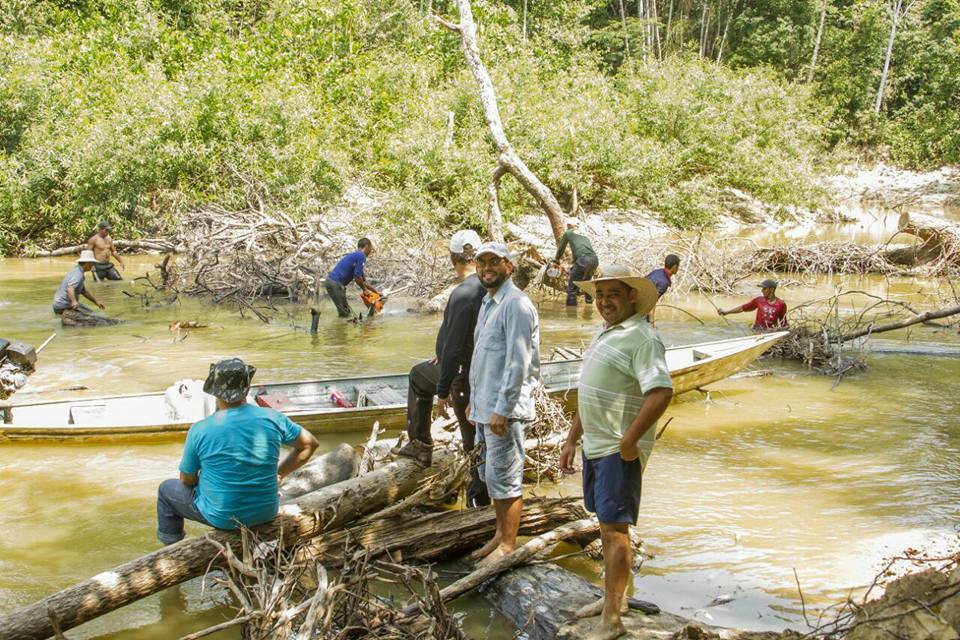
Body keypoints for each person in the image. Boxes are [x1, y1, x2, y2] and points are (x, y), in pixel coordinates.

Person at [560, 265, 673, 640]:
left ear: (632, 298)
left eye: (613, 294)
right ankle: (615, 601)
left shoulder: (643, 338)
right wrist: (571, 438)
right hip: (596, 444)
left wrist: (629, 442)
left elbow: (660, 392)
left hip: (616, 449)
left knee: (615, 531)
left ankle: (612, 618)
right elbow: (589, 389)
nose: (605, 301)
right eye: (600, 295)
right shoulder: (605, 332)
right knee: (605, 524)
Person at [156, 358, 319, 545]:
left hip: (223, 517)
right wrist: (279, 474)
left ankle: (171, 548)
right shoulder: (273, 418)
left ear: (214, 391)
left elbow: (186, 480)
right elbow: (309, 444)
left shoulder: (200, 429)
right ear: (247, 389)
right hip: (266, 511)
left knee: (166, 490)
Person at [392, 230, 490, 507]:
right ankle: (480, 504)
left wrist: (443, 389)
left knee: (417, 377)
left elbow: (455, 348)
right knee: (476, 440)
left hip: (463, 377)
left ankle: (421, 445)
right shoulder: (492, 287)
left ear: (452, 259)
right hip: (480, 372)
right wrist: (441, 353)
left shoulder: (463, 293)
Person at [468, 242, 540, 565]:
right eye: (481, 262)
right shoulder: (488, 303)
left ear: (509, 266)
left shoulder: (517, 304)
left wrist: (503, 408)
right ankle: (499, 534)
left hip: (504, 412)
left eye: (494, 261)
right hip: (486, 407)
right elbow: (481, 358)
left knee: (508, 477)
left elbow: (518, 362)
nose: (487, 267)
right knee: (492, 476)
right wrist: (473, 402)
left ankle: (508, 545)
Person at [325, 238, 381, 318]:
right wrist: (364, 290)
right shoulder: (361, 255)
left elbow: (362, 281)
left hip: (331, 282)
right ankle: (341, 328)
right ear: (367, 246)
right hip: (335, 283)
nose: (370, 251)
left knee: (345, 311)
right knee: (345, 313)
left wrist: (376, 292)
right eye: (370, 248)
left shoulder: (356, 256)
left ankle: (341, 327)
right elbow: (357, 277)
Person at [552, 218, 599, 307]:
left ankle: (571, 312)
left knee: (572, 288)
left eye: (567, 225)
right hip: (594, 260)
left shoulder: (568, 233)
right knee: (587, 283)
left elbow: (561, 248)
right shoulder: (584, 234)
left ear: (569, 225)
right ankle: (589, 307)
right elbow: (583, 250)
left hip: (583, 260)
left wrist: (556, 259)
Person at [718, 279, 788, 330]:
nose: (762, 290)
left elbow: (784, 323)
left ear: (772, 289)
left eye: (764, 288)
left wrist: (778, 330)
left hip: (770, 333)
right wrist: (726, 312)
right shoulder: (759, 300)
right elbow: (743, 308)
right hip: (756, 330)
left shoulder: (781, 304)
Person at [52, 250, 105, 315]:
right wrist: (74, 301)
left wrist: (96, 302)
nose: (93, 265)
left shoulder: (77, 270)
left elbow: (84, 292)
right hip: (64, 304)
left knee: (90, 313)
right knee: (92, 314)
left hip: (58, 304)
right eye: (93, 263)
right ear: (88, 263)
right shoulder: (78, 274)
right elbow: (70, 287)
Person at [645, 254, 680, 327]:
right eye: (678, 266)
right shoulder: (664, 282)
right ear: (674, 267)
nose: (678, 269)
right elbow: (652, 301)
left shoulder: (658, 271)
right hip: (642, 304)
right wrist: (652, 323)